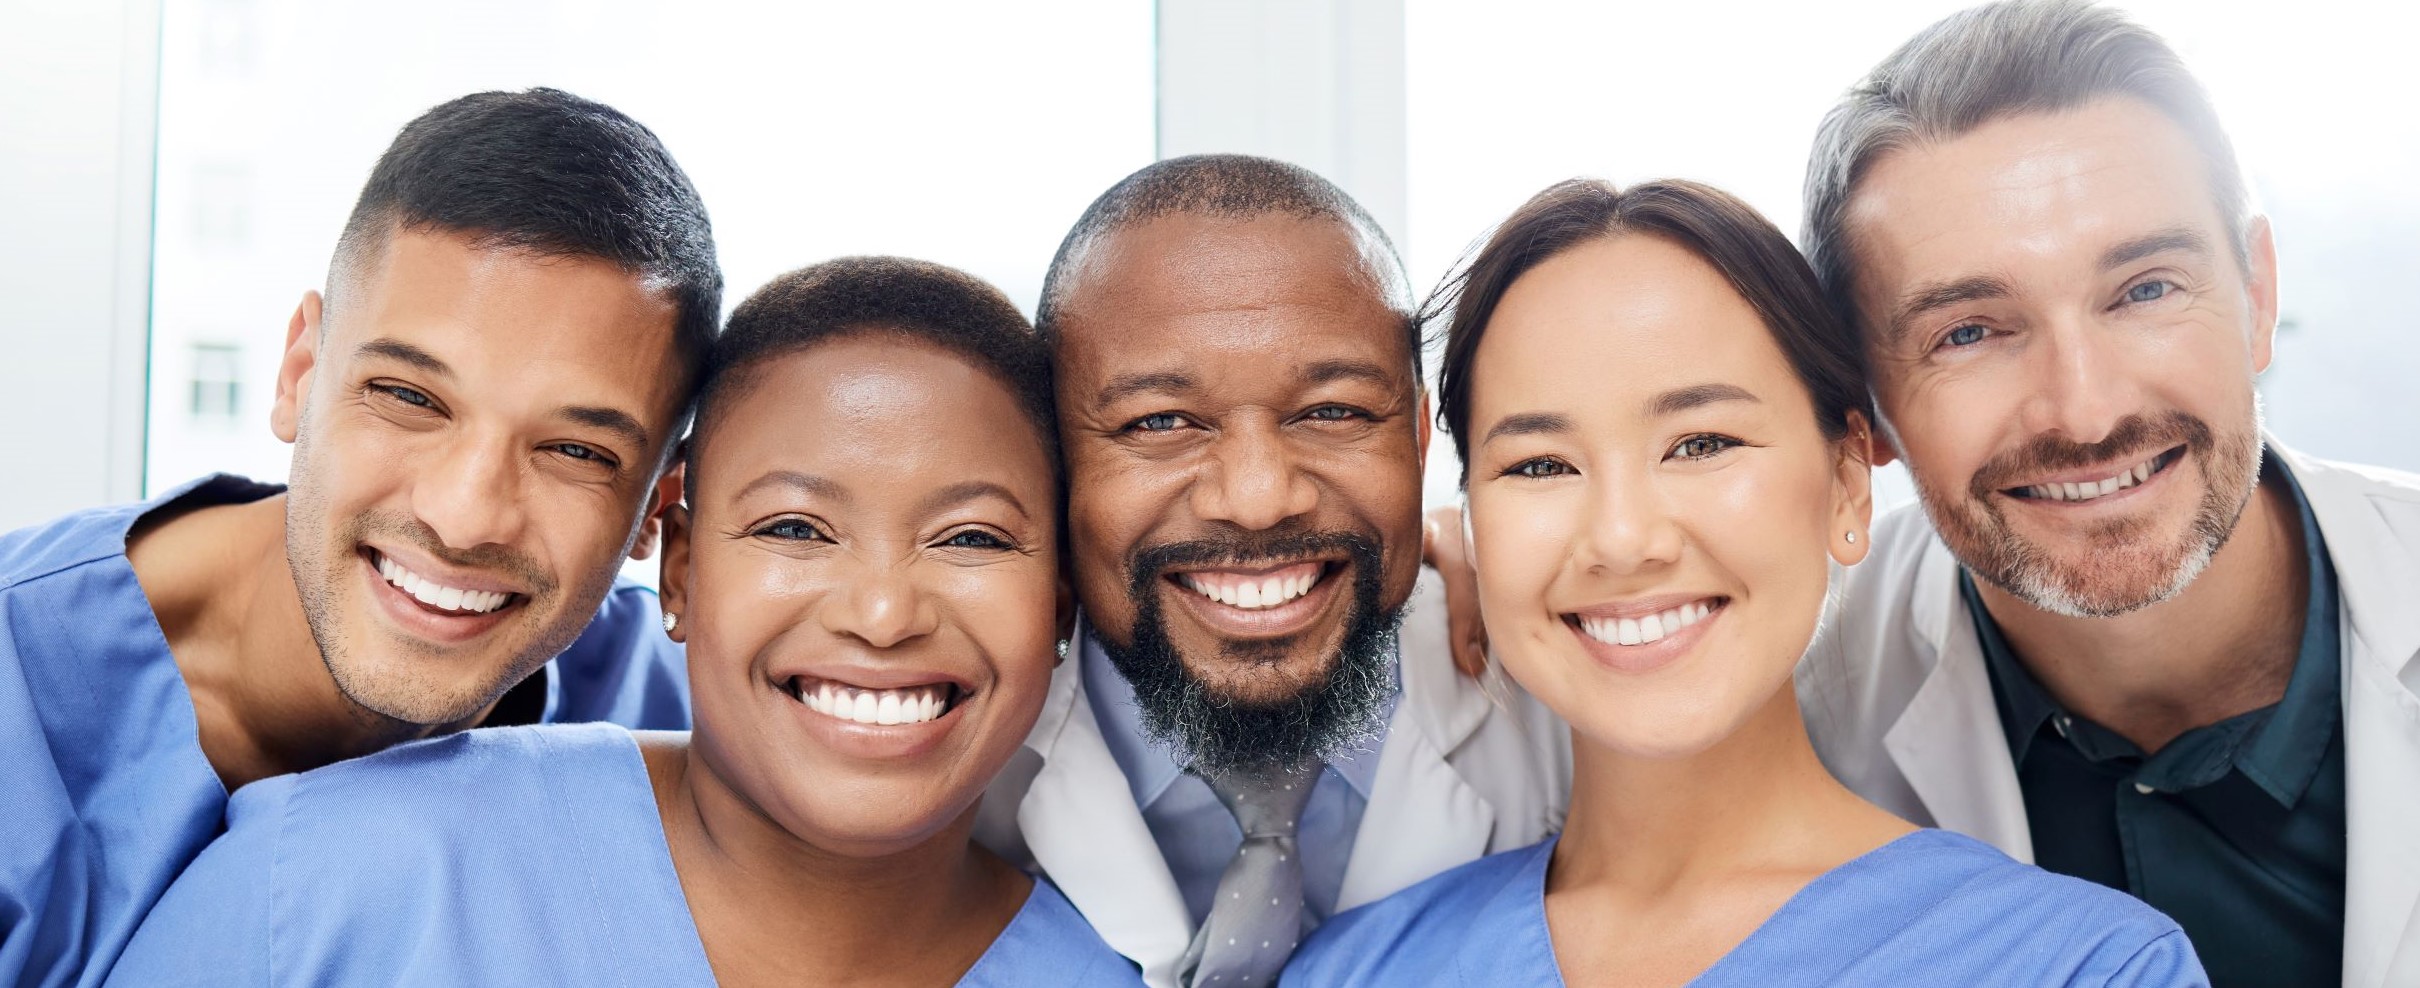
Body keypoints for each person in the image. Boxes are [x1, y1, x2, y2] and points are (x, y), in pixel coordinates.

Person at [107, 257, 1139, 987]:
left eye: (970, 540)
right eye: (794, 526)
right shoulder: (336, 877)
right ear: (679, 570)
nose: (879, 613)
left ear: (1058, 608)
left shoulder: (1096, 972)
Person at [1288, 177, 2204, 987]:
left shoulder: (2083, 968)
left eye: (1701, 445)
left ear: (1849, 479)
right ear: (1470, 514)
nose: (1621, 538)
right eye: (1539, 465)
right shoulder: (1354, 970)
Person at [0, 88, 715, 988]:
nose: (463, 518)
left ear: (658, 507)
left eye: (575, 450)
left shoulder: (696, 718)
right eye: (410, 398)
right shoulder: (17, 705)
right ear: (300, 371)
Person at [1790, 4, 2420, 985]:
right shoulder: (1772, 695)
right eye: (1967, 331)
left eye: (2144, 289)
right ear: (1862, 412)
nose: (2082, 412)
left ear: (2255, 297)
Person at [972, 154, 1569, 988]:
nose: (1257, 499)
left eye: (1333, 412)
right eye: (1161, 421)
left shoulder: (1567, 704)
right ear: (1056, 461)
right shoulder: (950, 750)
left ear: (1422, 440)